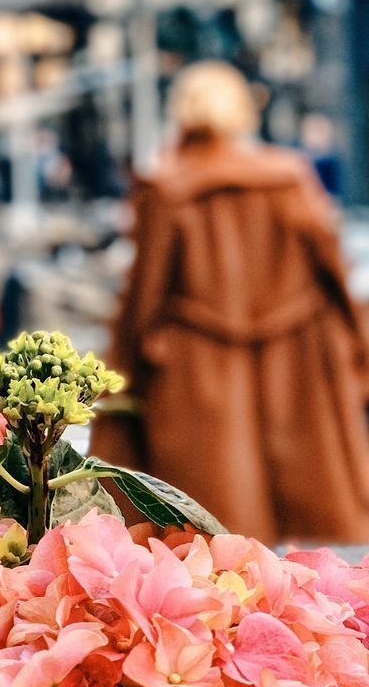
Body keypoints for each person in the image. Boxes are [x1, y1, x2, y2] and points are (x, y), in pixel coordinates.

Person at [93, 60, 369, 545]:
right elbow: (333, 269)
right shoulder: (289, 177)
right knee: (289, 514)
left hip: (195, 371)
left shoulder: (167, 187)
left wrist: (119, 372)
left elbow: (143, 299)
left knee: (208, 525)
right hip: (292, 359)